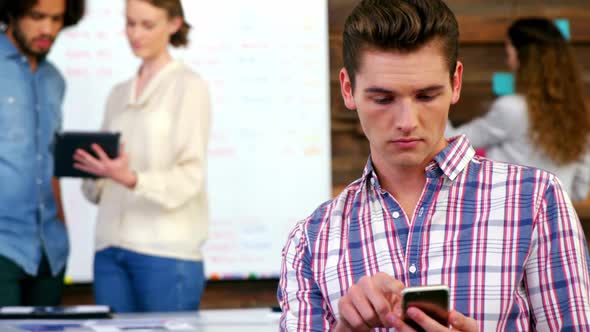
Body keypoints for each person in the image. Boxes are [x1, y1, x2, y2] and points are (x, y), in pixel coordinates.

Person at [278, 0, 590, 331]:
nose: (407, 122)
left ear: (455, 83)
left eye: (426, 96)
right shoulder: (312, 240)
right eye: (383, 99)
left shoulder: (537, 201)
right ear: (347, 89)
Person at [76, 0, 210, 313]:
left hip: (166, 254)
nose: (135, 34)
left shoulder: (189, 87)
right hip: (109, 250)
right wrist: (95, 170)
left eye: (147, 25)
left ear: (174, 24)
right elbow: (94, 190)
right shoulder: (118, 93)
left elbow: (190, 178)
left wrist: (131, 178)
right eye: (130, 23)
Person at [446, 17, 590, 202]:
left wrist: (440, 94)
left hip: (511, 221)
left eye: (509, 52)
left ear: (523, 57)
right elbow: (580, 187)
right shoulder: (578, 113)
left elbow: (452, 141)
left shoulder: (512, 109)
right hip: (556, 222)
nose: (508, 61)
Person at [0, 0, 84, 306]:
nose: (47, 29)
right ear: (11, 12)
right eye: (37, 17)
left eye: (56, 19)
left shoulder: (54, 81)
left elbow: (49, 163)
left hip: (50, 250)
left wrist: (61, 226)